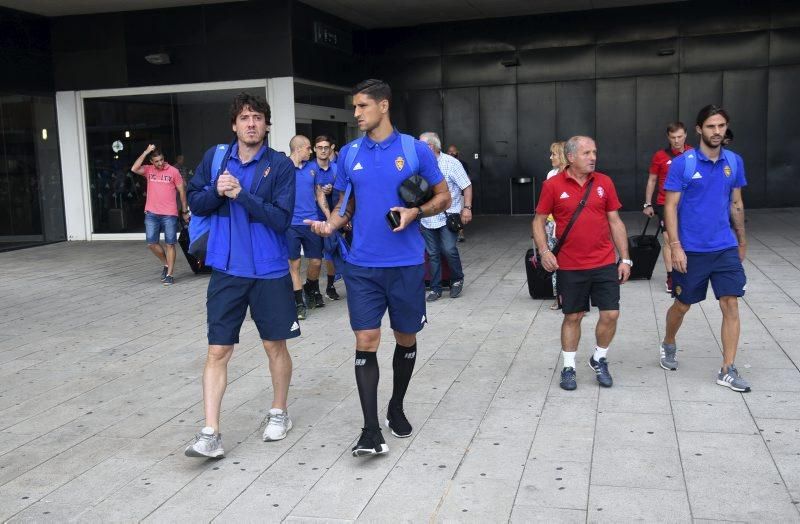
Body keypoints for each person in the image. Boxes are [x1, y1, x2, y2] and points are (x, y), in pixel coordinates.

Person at [305, 79, 449, 457]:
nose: (356, 114)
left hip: (404, 265)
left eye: (362, 106)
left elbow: (444, 196)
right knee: (366, 341)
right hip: (362, 266)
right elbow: (345, 205)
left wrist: (416, 210)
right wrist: (330, 224)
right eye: (355, 107)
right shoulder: (350, 153)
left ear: (383, 106)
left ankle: (396, 406)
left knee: (406, 339)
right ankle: (370, 430)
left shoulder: (414, 150)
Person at [184, 92, 298, 458]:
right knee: (218, 349)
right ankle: (210, 432)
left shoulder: (280, 166)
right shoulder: (216, 158)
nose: (251, 123)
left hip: (269, 269)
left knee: (273, 345)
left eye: (258, 117)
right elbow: (195, 202)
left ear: (266, 125)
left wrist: (241, 195)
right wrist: (217, 192)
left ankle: (279, 412)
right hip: (226, 269)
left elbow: (281, 219)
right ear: (234, 124)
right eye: (245, 117)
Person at [660, 105, 750, 392]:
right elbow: (670, 207)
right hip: (692, 249)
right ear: (699, 129)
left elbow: (736, 203)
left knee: (731, 303)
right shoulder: (683, 164)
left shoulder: (734, 162)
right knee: (682, 305)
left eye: (722, 126)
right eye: (711, 126)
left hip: (724, 246)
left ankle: (727, 368)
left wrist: (742, 239)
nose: (717, 131)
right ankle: (669, 342)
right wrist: (675, 246)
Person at [532, 136, 631, 391]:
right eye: (587, 153)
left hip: (603, 262)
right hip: (570, 265)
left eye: (594, 152)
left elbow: (615, 221)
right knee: (573, 315)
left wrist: (626, 258)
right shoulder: (552, 185)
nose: (593, 157)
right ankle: (568, 366)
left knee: (611, 313)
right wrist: (544, 251)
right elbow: (538, 221)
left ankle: (599, 358)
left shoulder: (604, 182)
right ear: (572, 157)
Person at [419, 132, 473, 301]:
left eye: (420, 145)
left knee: (448, 249)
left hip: (447, 216)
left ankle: (457, 279)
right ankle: (435, 288)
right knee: (432, 253)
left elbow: (467, 186)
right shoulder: (418, 164)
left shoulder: (451, 163)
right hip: (427, 218)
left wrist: (467, 208)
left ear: (430, 147)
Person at [643, 122, 693, 293]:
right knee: (669, 239)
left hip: (687, 203)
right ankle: (671, 275)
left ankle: (688, 271)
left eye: (680, 137)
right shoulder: (660, 156)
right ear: (668, 137)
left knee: (686, 238)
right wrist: (648, 203)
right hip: (665, 202)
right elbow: (652, 180)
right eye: (673, 137)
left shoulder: (693, 154)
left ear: (685, 135)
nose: (677, 140)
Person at [131, 145, 189, 286]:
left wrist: (184, 211)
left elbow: (182, 191)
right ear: (151, 161)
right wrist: (145, 151)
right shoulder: (148, 170)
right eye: (156, 161)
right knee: (152, 243)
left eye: (161, 160)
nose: (160, 163)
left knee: (170, 244)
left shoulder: (174, 171)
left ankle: (169, 274)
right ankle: (166, 264)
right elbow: (134, 168)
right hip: (151, 212)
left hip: (169, 213)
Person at [286, 135, 325, 320]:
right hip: (291, 224)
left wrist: (329, 215)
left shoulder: (313, 167)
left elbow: (318, 193)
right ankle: (299, 303)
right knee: (294, 264)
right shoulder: (284, 168)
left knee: (316, 261)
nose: (311, 152)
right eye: (309, 148)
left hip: (312, 222)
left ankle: (310, 286)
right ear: (298, 149)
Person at [312, 135, 342, 300]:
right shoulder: (309, 168)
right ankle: (314, 289)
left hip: (334, 217)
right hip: (313, 217)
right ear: (315, 149)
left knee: (331, 252)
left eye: (326, 147)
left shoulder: (337, 169)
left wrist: (333, 189)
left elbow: (344, 193)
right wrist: (318, 193)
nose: (323, 150)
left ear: (331, 148)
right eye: (320, 147)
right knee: (315, 256)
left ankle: (330, 286)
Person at [545, 141, 568, 310]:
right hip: (553, 224)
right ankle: (558, 296)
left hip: (571, 226)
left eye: (553, 154)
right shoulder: (551, 175)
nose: (550, 157)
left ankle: (577, 295)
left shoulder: (574, 174)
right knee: (555, 260)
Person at [446, 144, 470, 242]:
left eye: (453, 151)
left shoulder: (463, 164)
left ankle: (460, 232)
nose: (452, 153)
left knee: (459, 212)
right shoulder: (445, 164)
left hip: (460, 193)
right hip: (450, 194)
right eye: (449, 151)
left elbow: (467, 180)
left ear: (457, 152)